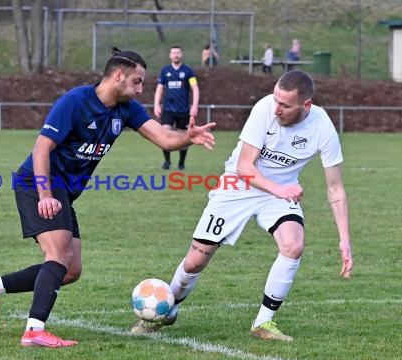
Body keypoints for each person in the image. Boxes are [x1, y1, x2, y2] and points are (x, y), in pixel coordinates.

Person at [0, 48, 215, 348]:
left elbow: (163, 137)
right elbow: (41, 148)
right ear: (118, 75)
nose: (140, 89)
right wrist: (45, 194)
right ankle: (34, 331)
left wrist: (188, 137)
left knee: (70, 270)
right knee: (57, 255)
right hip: (38, 182)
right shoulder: (75, 101)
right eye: (137, 81)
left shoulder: (127, 109)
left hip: (64, 192)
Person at [131, 70, 353, 342]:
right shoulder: (264, 109)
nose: (277, 109)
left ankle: (264, 322)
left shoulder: (322, 127)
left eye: (285, 105)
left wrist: (344, 239)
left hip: (277, 196)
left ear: (306, 105)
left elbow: (336, 188)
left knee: (293, 245)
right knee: (196, 259)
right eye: (276, 100)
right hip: (237, 187)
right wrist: (281, 190)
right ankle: (168, 308)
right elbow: (244, 167)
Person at [155, 44, 200, 170]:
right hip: (168, 109)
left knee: (183, 137)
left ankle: (181, 163)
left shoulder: (188, 71)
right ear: (170, 55)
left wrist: (194, 106)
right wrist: (156, 105)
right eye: (173, 53)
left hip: (183, 110)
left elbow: (195, 89)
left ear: (181, 55)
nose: (176, 55)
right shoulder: (165, 71)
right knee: (165, 134)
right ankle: (167, 162)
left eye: (178, 53)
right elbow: (159, 88)